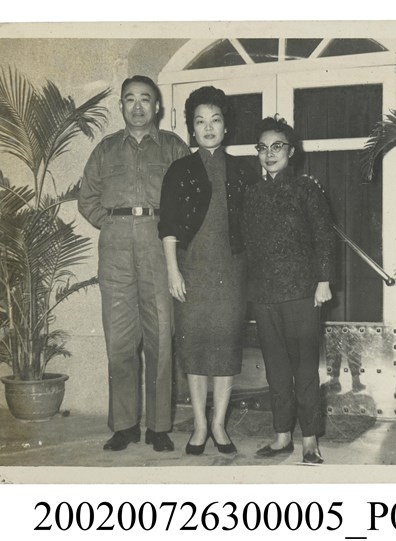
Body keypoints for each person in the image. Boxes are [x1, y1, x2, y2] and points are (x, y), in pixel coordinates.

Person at [78, 75, 190, 452]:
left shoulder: (173, 147)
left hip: (159, 244)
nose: (138, 106)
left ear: (157, 106)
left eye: (145, 99)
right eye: (130, 99)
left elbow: (190, 197)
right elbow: (87, 199)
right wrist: (112, 223)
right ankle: (124, 425)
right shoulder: (106, 149)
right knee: (119, 340)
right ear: (122, 106)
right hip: (116, 250)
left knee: (161, 337)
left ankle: (159, 427)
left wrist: (169, 230)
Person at [158, 86, 258, 455]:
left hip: (231, 273)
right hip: (192, 272)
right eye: (200, 122)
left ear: (225, 126)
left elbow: (255, 226)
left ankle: (219, 425)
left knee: (226, 349)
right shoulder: (179, 170)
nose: (208, 127)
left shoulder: (244, 171)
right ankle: (200, 425)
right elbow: (168, 226)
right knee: (196, 349)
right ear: (192, 129)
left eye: (215, 120)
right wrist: (173, 271)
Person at [242, 116, 336, 464]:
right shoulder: (251, 194)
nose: (269, 154)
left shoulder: (307, 189)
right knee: (276, 370)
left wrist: (324, 281)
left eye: (277, 147)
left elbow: (324, 236)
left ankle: (310, 441)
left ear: (291, 152)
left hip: (301, 292)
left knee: (305, 369)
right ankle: (282, 437)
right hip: (264, 295)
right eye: (263, 148)